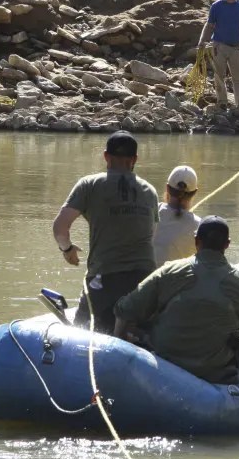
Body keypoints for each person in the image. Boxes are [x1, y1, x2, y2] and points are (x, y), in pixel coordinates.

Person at [114, 216, 239, 384]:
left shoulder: (168, 273)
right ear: (227, 244)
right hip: (215, 373)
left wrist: (118, 347)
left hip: (165, 366)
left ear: (196, 241)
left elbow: (124, 310)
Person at [51, 131, 159, 335]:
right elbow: (151, 235)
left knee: (81, 337)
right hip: (145, 282)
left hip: (105, 279)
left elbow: (60, 227)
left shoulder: (89, 185)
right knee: (140, 337)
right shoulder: (150, 191)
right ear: (135, 159)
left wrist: (67, 250)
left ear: (106, 156)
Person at [198, 0, 239, 113]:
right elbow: (210, 25)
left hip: (236, 47)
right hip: (219, 46)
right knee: (219, 76)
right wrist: (202, 41)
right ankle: (222, 102)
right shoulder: (216, 6)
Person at [152, 166, 202, 266]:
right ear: (194, 193)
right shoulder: (199, 226)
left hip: (146, 279)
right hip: (178, 280)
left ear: (167, 188)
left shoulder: (150, 212)